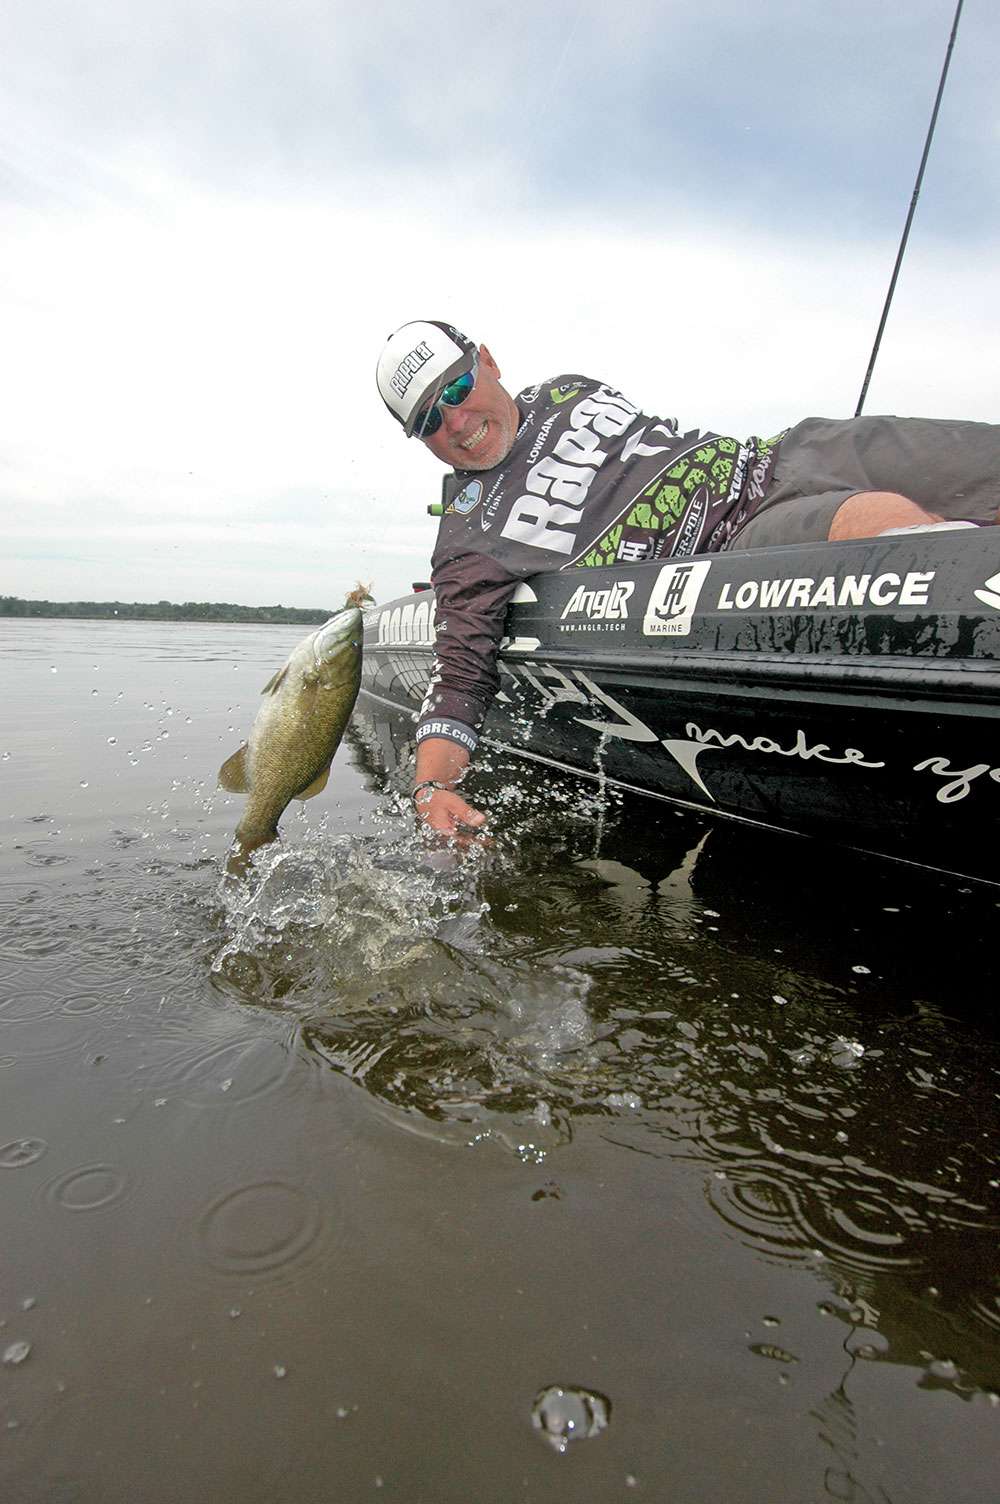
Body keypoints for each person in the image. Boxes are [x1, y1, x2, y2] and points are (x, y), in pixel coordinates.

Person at [375, 319, 999, 835]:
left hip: (781, 453)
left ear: (486, 360)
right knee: (883, 525)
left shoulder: (566, 389)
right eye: (428, 421)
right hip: (739, 542)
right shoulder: (467, 541)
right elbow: (459, 675)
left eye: (457, 388)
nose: (455, 422)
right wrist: (431, 787)